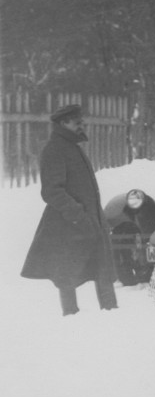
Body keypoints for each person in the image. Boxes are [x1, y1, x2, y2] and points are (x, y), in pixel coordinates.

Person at [20, 104, 118, 315]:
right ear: (63, 123)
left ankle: (111, 316)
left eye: (82, 121)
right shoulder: (54, 149)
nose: (82, 125)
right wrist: (79, 216)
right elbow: (52, 192)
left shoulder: (73, 147)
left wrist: (95, 219)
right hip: (68, 225)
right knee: (66, 275)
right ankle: (71, 320)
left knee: (102, 271)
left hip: (89, 222)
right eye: (77, 122)